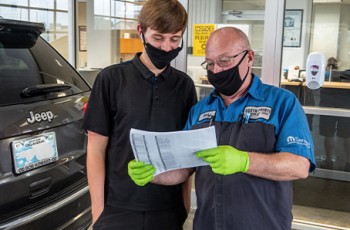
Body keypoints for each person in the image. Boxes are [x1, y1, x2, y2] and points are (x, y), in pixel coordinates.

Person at [128, 27, 316, 230]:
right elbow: (185, 169)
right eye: (209, 64)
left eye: (224, 61)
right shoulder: (200, 110)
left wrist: (245, 161)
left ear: (249, 57)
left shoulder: (282, 103)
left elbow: (299, 165)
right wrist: (155, 173)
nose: (216, 70)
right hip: (209, 224)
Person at [83, 0, 197, 229]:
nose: (167, 47)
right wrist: (98, 213)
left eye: (175, 39)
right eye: (158, 38)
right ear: (141, 32)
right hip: (118, 207)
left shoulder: (184, 86)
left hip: (168, 207)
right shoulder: (111, 80)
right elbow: (96, 149)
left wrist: (185, 204)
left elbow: (187, 151)